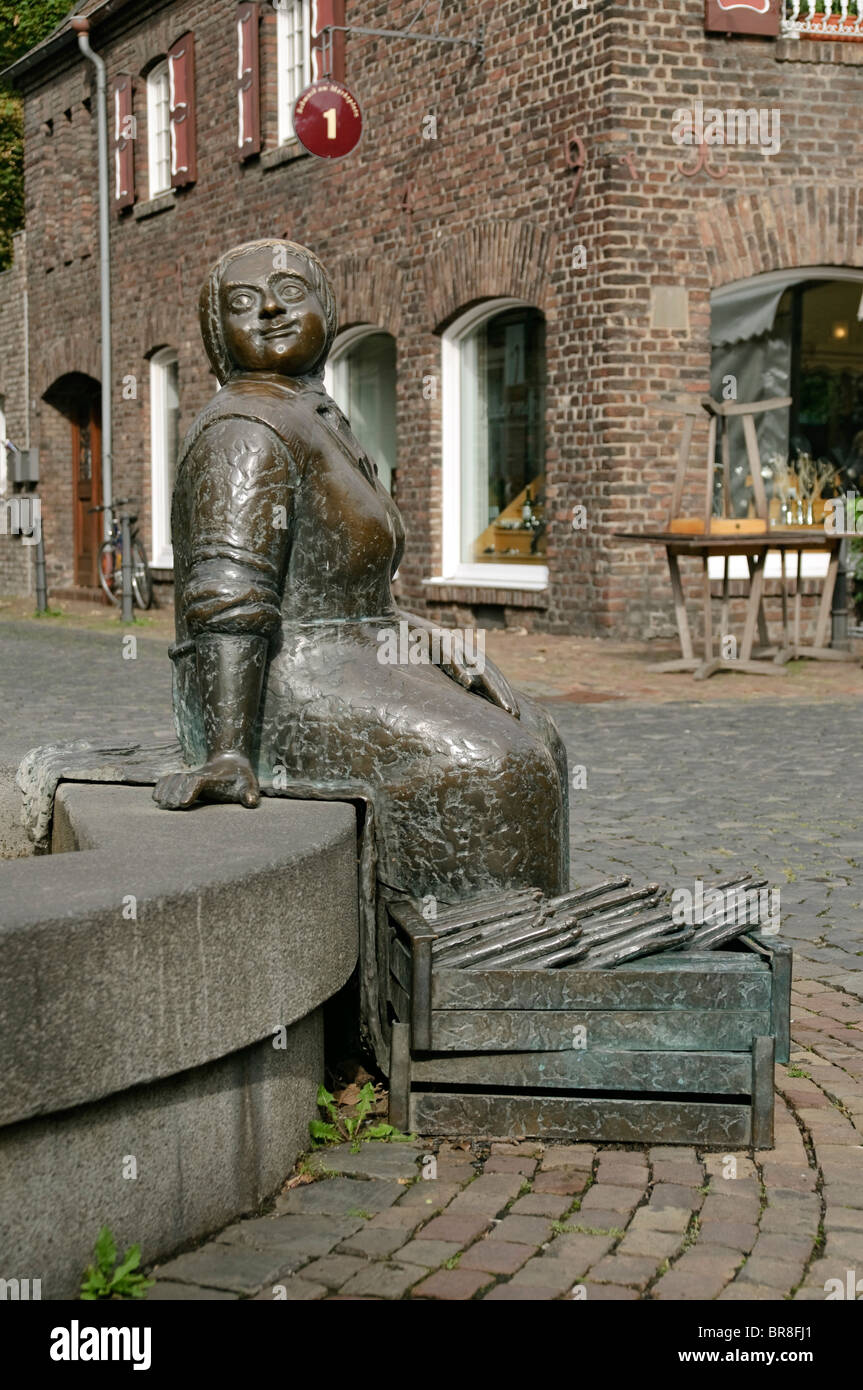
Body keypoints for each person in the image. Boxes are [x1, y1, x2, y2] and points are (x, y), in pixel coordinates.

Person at [153, 239, 569, 1056]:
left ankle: (535, 980)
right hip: (284, 683)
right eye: (241, 303)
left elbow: (355, 589)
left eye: (287, 291)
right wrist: (230, 751)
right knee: (492, 766)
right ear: (213, 330)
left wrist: (437, 642)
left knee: (538, 735)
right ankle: (462, 1027)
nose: (268, 310)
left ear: (326, 308)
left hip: (354, 653)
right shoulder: (245, 428)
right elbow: (228, 604)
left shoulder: (313, 417)